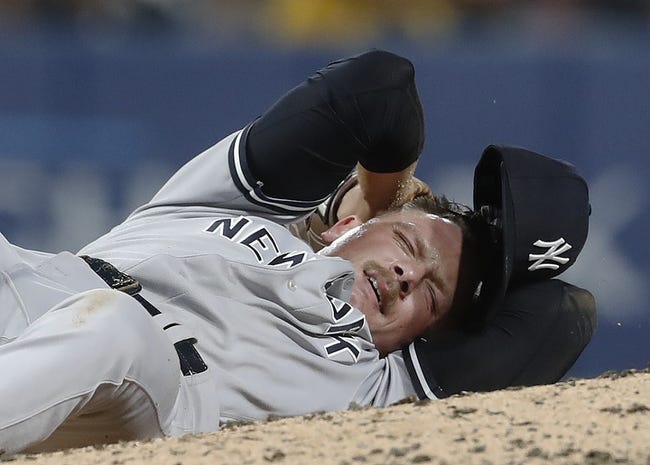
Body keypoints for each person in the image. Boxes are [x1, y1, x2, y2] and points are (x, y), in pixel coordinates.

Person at [0, 49, 595, 455]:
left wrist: (502, 265)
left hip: (146, 395)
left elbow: (565, 315)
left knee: (114, 328)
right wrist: (382, 191)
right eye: (408, 244)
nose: (407, 274)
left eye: (433, 295)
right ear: (350, 225)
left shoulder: (376, 384)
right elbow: (377, 88)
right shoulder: (231, 208)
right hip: (29, 294)